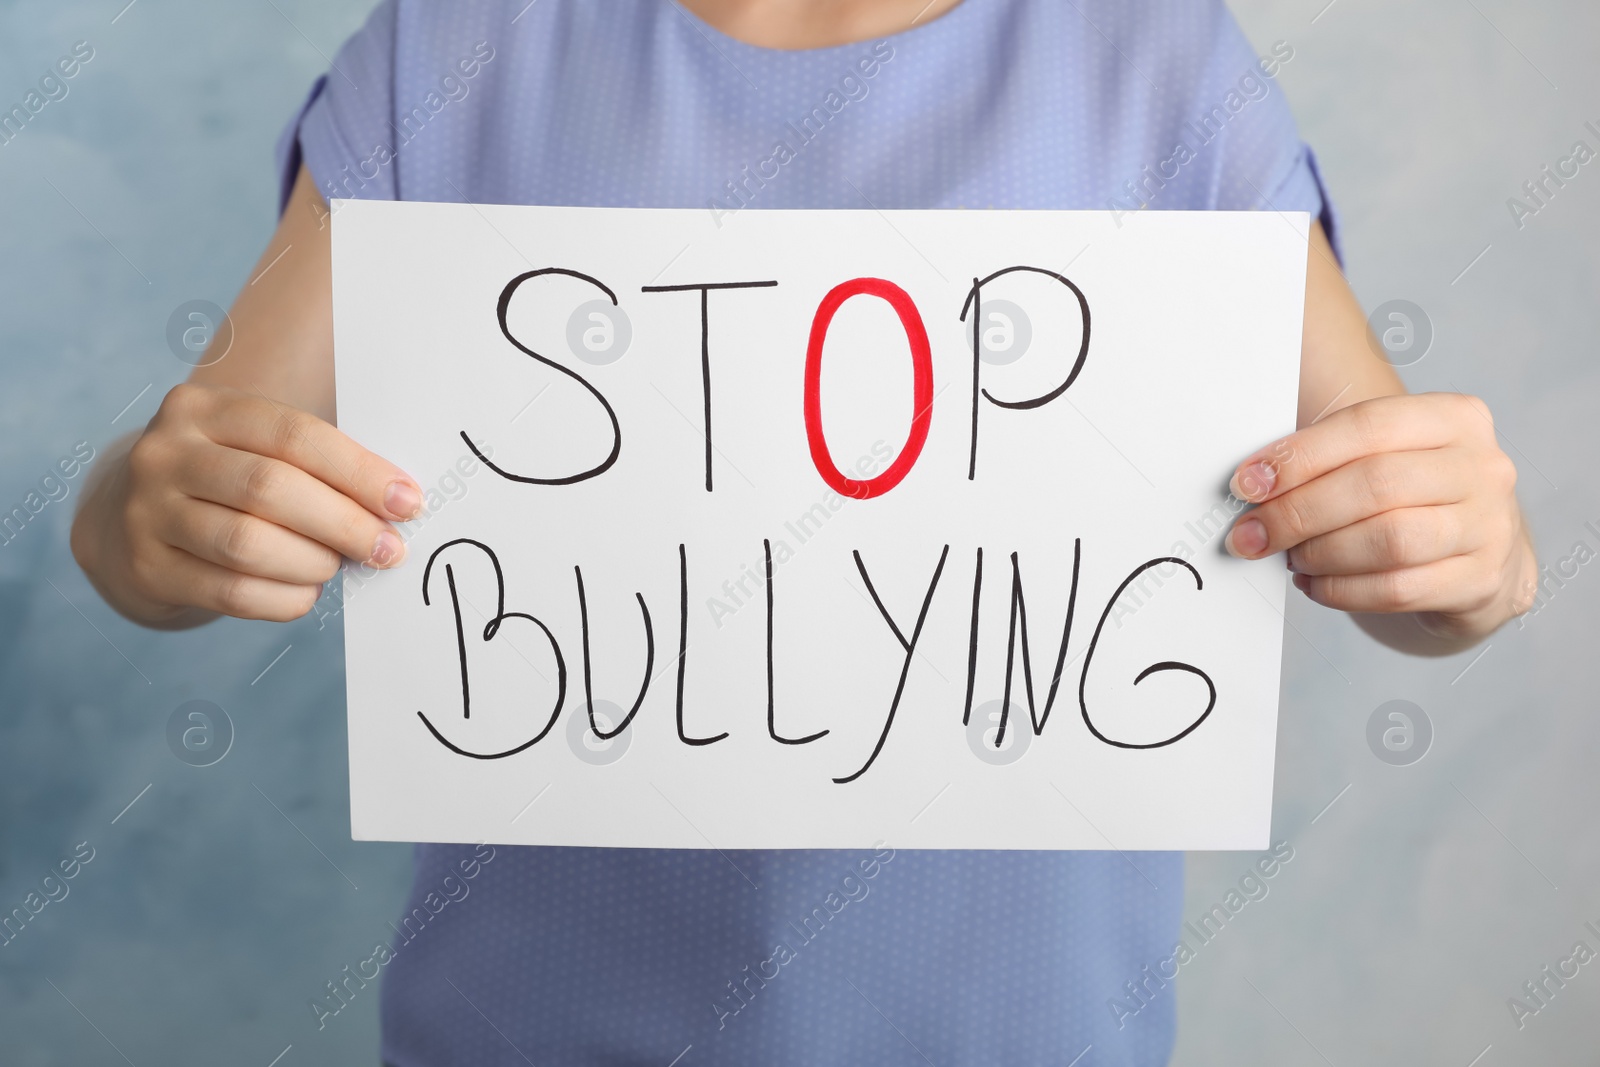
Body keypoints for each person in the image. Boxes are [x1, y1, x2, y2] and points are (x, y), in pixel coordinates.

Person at [70, 1, 1537, 1063]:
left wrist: (1461, 560)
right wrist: (145, 522)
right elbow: (188, 483)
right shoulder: (454, 49)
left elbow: (1389, 542)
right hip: (529, 1031)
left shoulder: (1163, 62)